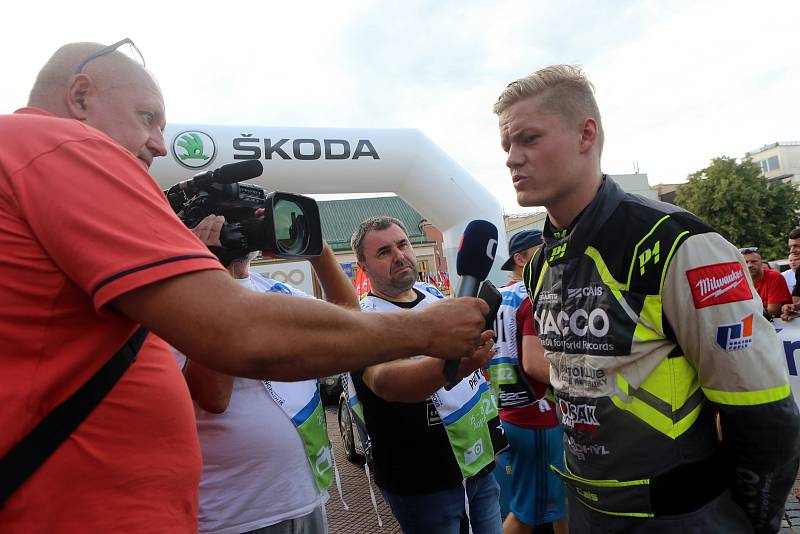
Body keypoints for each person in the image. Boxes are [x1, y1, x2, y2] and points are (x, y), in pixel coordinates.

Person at [0, 40, 489, 531]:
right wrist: (424, 331)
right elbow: (237, 332)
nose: (160, 144)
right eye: (148, 118)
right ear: (80, 96)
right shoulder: (56, 145)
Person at [494, 64, 800, 533]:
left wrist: (750, 523)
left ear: (586, 134)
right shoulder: (539, 266)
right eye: (506, 146)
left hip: (683, 517)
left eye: (528, 138)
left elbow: (765, 415)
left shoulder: (680, 243)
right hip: (589, 513)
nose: (513, 158)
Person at [175, 226, 356, 533]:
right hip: (235, 516)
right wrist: (214, 269)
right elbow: (212, 397)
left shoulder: (278, 293)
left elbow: (352, 328)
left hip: (305, 498)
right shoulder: (179, 302)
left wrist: (318, 250)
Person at [348, 216, 504, 534]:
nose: (399, 255)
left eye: (402, 244)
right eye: (384, 252)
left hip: (479, 467)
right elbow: (387, 380)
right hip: (423, 482)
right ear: (362, 266)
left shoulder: (435, 295)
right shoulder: (363, 321)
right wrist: (457, 366)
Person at [488, 230, 567, 534]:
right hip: (535, 416)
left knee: (553, 504)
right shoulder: (534, 295)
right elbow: (534, 364)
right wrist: (582, 383)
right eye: (542, 250)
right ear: (520, 259)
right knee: (527, 513)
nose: (550, 257)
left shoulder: (498, 296)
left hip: (506, 414)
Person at [740, 247, 791, 317]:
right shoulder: (738, 281)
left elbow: (772, 312)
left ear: (761, 262)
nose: (749, 265)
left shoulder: (774, 277)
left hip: (780, 325)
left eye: (753, 261)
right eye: (745, 262)